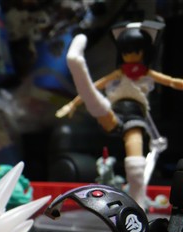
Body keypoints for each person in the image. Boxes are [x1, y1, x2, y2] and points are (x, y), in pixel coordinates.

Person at [56, 20, 183, 208]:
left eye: (135, 52)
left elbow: (171, 81)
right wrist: (72, 104)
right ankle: (76, 64)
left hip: (135, 116)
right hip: (115, 112)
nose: (130, 56)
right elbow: (97, 85)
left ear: (144, 52)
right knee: (98, 105)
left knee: (135, 158)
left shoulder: (146, 73)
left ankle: (138, 202)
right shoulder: (120, 73)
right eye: (126, 52)